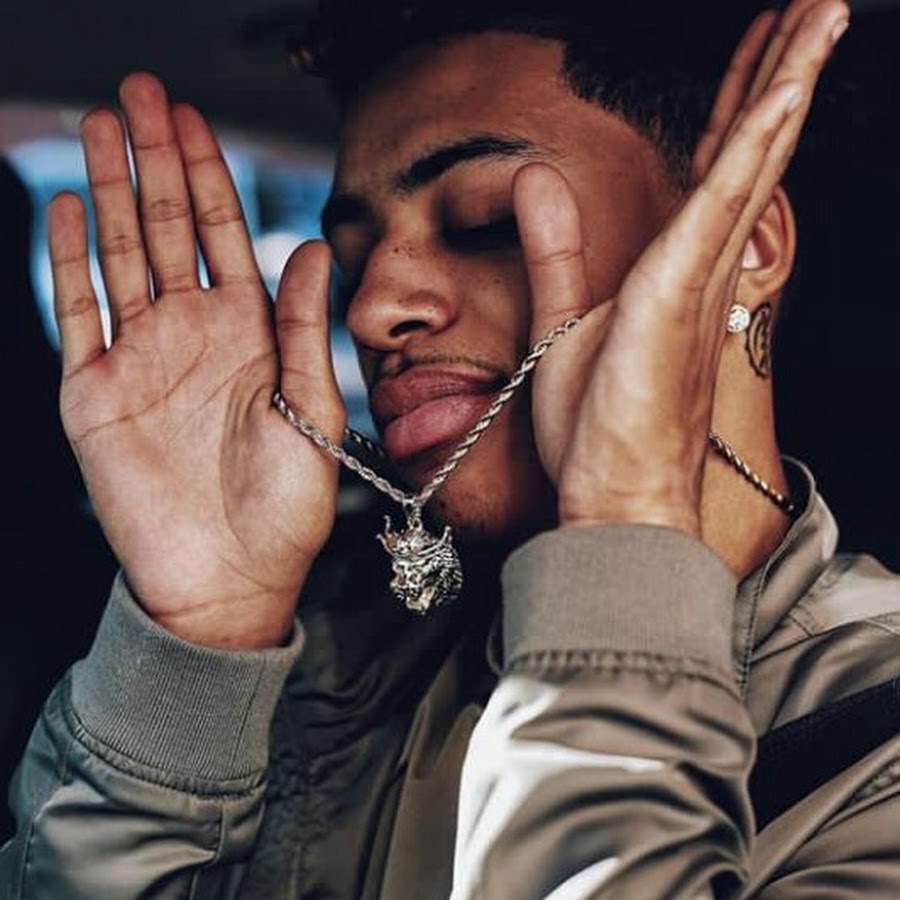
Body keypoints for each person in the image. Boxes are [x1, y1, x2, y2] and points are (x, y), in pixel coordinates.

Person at [2, 0, 899, 896]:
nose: (370, 310)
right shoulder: (319, 659)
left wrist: (623, 540)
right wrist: (196, 648)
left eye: (483, 224)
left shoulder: (873, 751)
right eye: (352, 259)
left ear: (748, 246)